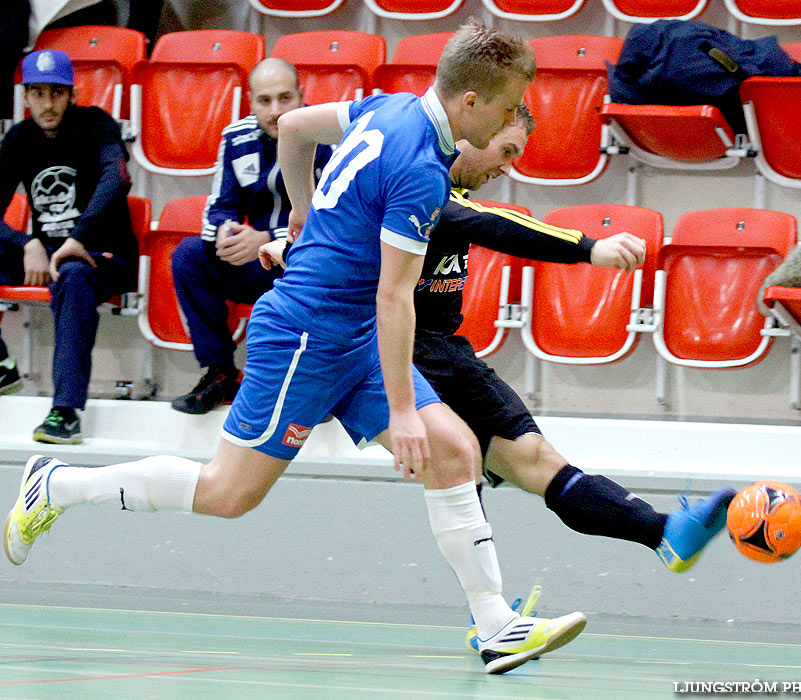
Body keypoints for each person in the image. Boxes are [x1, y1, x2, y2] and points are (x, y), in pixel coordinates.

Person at [4, 21, 584, 676]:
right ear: (471, 102)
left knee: (453, 451)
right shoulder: (421, 170)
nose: (515, 122)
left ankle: (495, 626)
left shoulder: (391, 107)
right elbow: (395, 299)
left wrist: (301, 214)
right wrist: (400, 411)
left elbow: (296, 127)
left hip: (350, 333)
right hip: (306, 332)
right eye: (509, 108)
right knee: (228, 493)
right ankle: (57, 485)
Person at [260, 106, 736, 607]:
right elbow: (490, 224)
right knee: (460, 466)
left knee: (532, 459)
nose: (505, 167)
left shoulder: (435, 193)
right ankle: (493, 618)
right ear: (473, 130)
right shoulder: (420, 181)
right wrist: (589, 247)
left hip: (449, 352)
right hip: (404, 353)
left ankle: (662, 534)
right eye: (505, 149)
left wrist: (289, 246)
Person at [169, 58, 331, 415]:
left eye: (285, 98)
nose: (275, 111)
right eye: (264, 101)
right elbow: (218, 208)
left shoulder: (327, 137)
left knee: (328, 260)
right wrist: (228, 233)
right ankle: (220, 374)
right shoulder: (236, 137)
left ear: (302, 96)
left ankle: (317, 384)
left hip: (307, 261)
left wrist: (267, 238)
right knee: (190, 254)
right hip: (256, 263)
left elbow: (335, 216)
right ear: (250, 101)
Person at [0, 48, 137, 444]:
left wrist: (78, 237)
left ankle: (65, 411)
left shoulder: (96, 124)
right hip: (46, 255)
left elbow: (119, 177)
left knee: (75, 275)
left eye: (56, 93)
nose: (47, 103)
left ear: (71, 95)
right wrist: (26, 243)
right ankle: (2, 364)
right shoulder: (20, 138)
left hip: (102, 254)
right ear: (25, 97)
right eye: (38, 93)